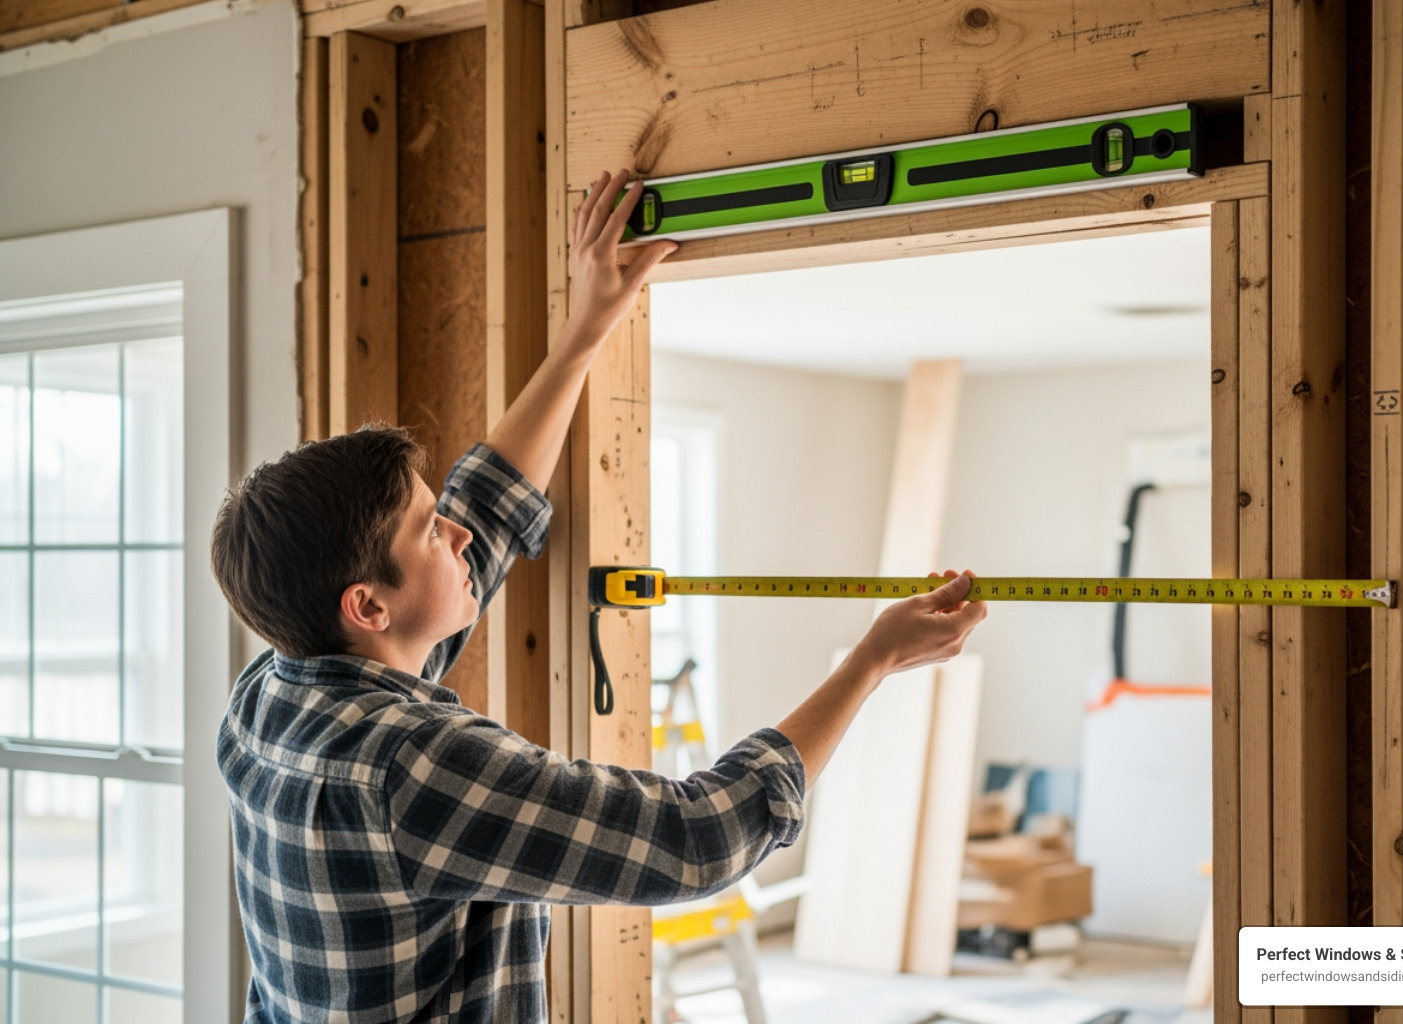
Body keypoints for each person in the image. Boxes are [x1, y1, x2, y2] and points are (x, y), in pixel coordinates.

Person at [210, 169, 988, 1024]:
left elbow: (488, 508)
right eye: (430, 529)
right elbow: (699, 840)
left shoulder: (278, 689)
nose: (459, 531)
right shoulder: (409, 768)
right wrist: (873, 661)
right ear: (367, 606)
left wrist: (587, 329)